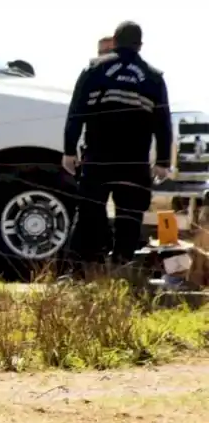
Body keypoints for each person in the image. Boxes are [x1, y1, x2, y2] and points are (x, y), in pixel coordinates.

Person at [63, 21, 172, 268]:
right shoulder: (154, 78)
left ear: (114, 40)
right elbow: (163, 122)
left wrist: (69, 150)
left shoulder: (94, 69)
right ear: (140, 45)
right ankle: (122, 267)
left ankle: (83, 270)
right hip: (134, 163)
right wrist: (163, 161)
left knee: (90, 213)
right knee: (129, 218)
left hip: (98, 159)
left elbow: (76, 112)